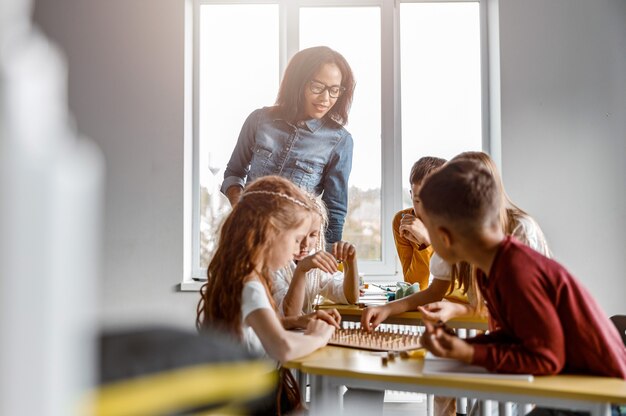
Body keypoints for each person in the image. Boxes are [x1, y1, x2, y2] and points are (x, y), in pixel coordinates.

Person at [417, 159, 626, 381]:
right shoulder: (490, 268)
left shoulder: (516, 271)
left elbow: (546, 358)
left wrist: (468, 352)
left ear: (444, 237)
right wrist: (459, 347)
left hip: (606, 398)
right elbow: (515, 338)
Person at [362, 151, 552, 331]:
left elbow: (518, 309)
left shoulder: (521, 230)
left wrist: (459, 310)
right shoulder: (459, 229)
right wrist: (387, 309)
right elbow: (434, 291)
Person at [196, 175, 340, 364]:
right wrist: (317, 338)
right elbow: (282, 348)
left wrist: (296, 321)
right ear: (270, 232)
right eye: (296, 239)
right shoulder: (250, 286)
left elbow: (256, 327)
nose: (298, 249)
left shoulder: (240, 276)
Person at [221, 46, 356, 245]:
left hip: (295, 249)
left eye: (334, 90)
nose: (326, 99)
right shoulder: (259, 120)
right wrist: (240, 207)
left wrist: (328, 260)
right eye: (317, 87)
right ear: (297, 83)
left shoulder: (339, 140)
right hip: (246, 238)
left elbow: (334, 210)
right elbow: (233, 172)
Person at [272, 195, 360, 317]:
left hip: (300, 333)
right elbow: (290, 315)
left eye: (313, 235)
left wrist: (351, 262)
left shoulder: (313, 259)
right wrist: (301, 269)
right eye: (299, 234)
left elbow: (350, 298)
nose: (306, 244)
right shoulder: (272, 265)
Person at [393, 156, 446, 288]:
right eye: (417, 201)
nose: (425, 210)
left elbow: (460, 290)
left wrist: (428, 241)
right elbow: (414, 286)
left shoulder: (462, 222)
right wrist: (421, 246)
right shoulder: (403, 221)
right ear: (411, 195)